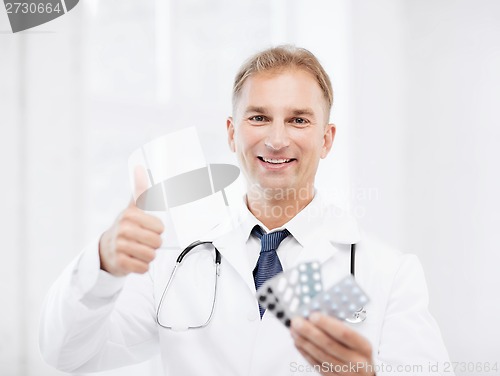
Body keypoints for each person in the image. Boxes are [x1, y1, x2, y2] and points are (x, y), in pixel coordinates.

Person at [39, 45, 453, 376]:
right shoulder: (174, 263)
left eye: (298, 120)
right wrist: (102, 266)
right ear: (232, 132)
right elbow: (67, 355)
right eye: (258, 117)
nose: (276, 139)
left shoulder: (388, 273)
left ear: (326, 140)